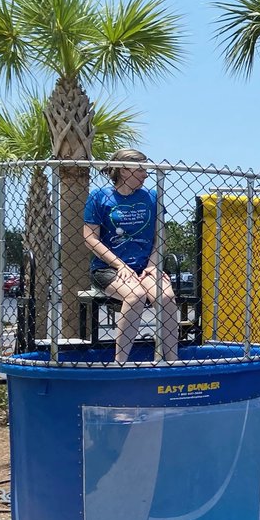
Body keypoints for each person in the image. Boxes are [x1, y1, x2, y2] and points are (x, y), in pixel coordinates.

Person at [82, 149, 179, 364]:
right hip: (109, 268)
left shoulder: (153, 197)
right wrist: (120, 266)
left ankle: (173, 361)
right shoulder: (99, 197)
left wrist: (153, 265)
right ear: (125, 171)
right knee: (135, 296)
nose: (146, 174)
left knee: (166, 297)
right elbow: (90, 238)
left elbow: (160, 236)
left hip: (146, 266)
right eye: (141, 169)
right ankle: (121, 363)